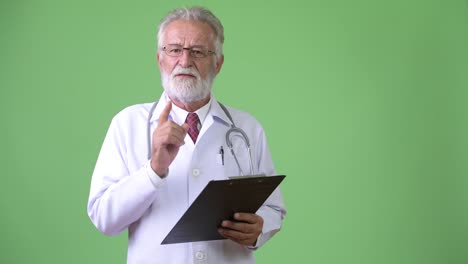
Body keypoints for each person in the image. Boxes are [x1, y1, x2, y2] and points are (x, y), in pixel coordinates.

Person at [87, 6, 286, 264]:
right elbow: (104, 219)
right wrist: (154, 170)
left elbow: (273, 209)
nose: (185, 61)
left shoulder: (247, 128)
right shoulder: (128, 124)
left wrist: (259, 229)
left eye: (198, 52)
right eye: (174, 50)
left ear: (218, 63)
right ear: (160, 59)